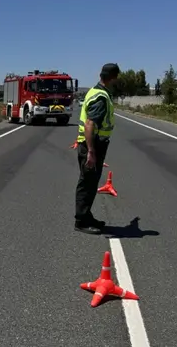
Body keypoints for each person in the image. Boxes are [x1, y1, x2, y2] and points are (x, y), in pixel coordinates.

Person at [74, 63, 120, 234]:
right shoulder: (101, 97)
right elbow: (90, 123)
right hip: (92, 146)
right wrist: (91, 152)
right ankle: (81, 221)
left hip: (91, 144)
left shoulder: (95, 91)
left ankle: (87, 216)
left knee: (91, 183)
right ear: (113, 78)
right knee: (87, 183)